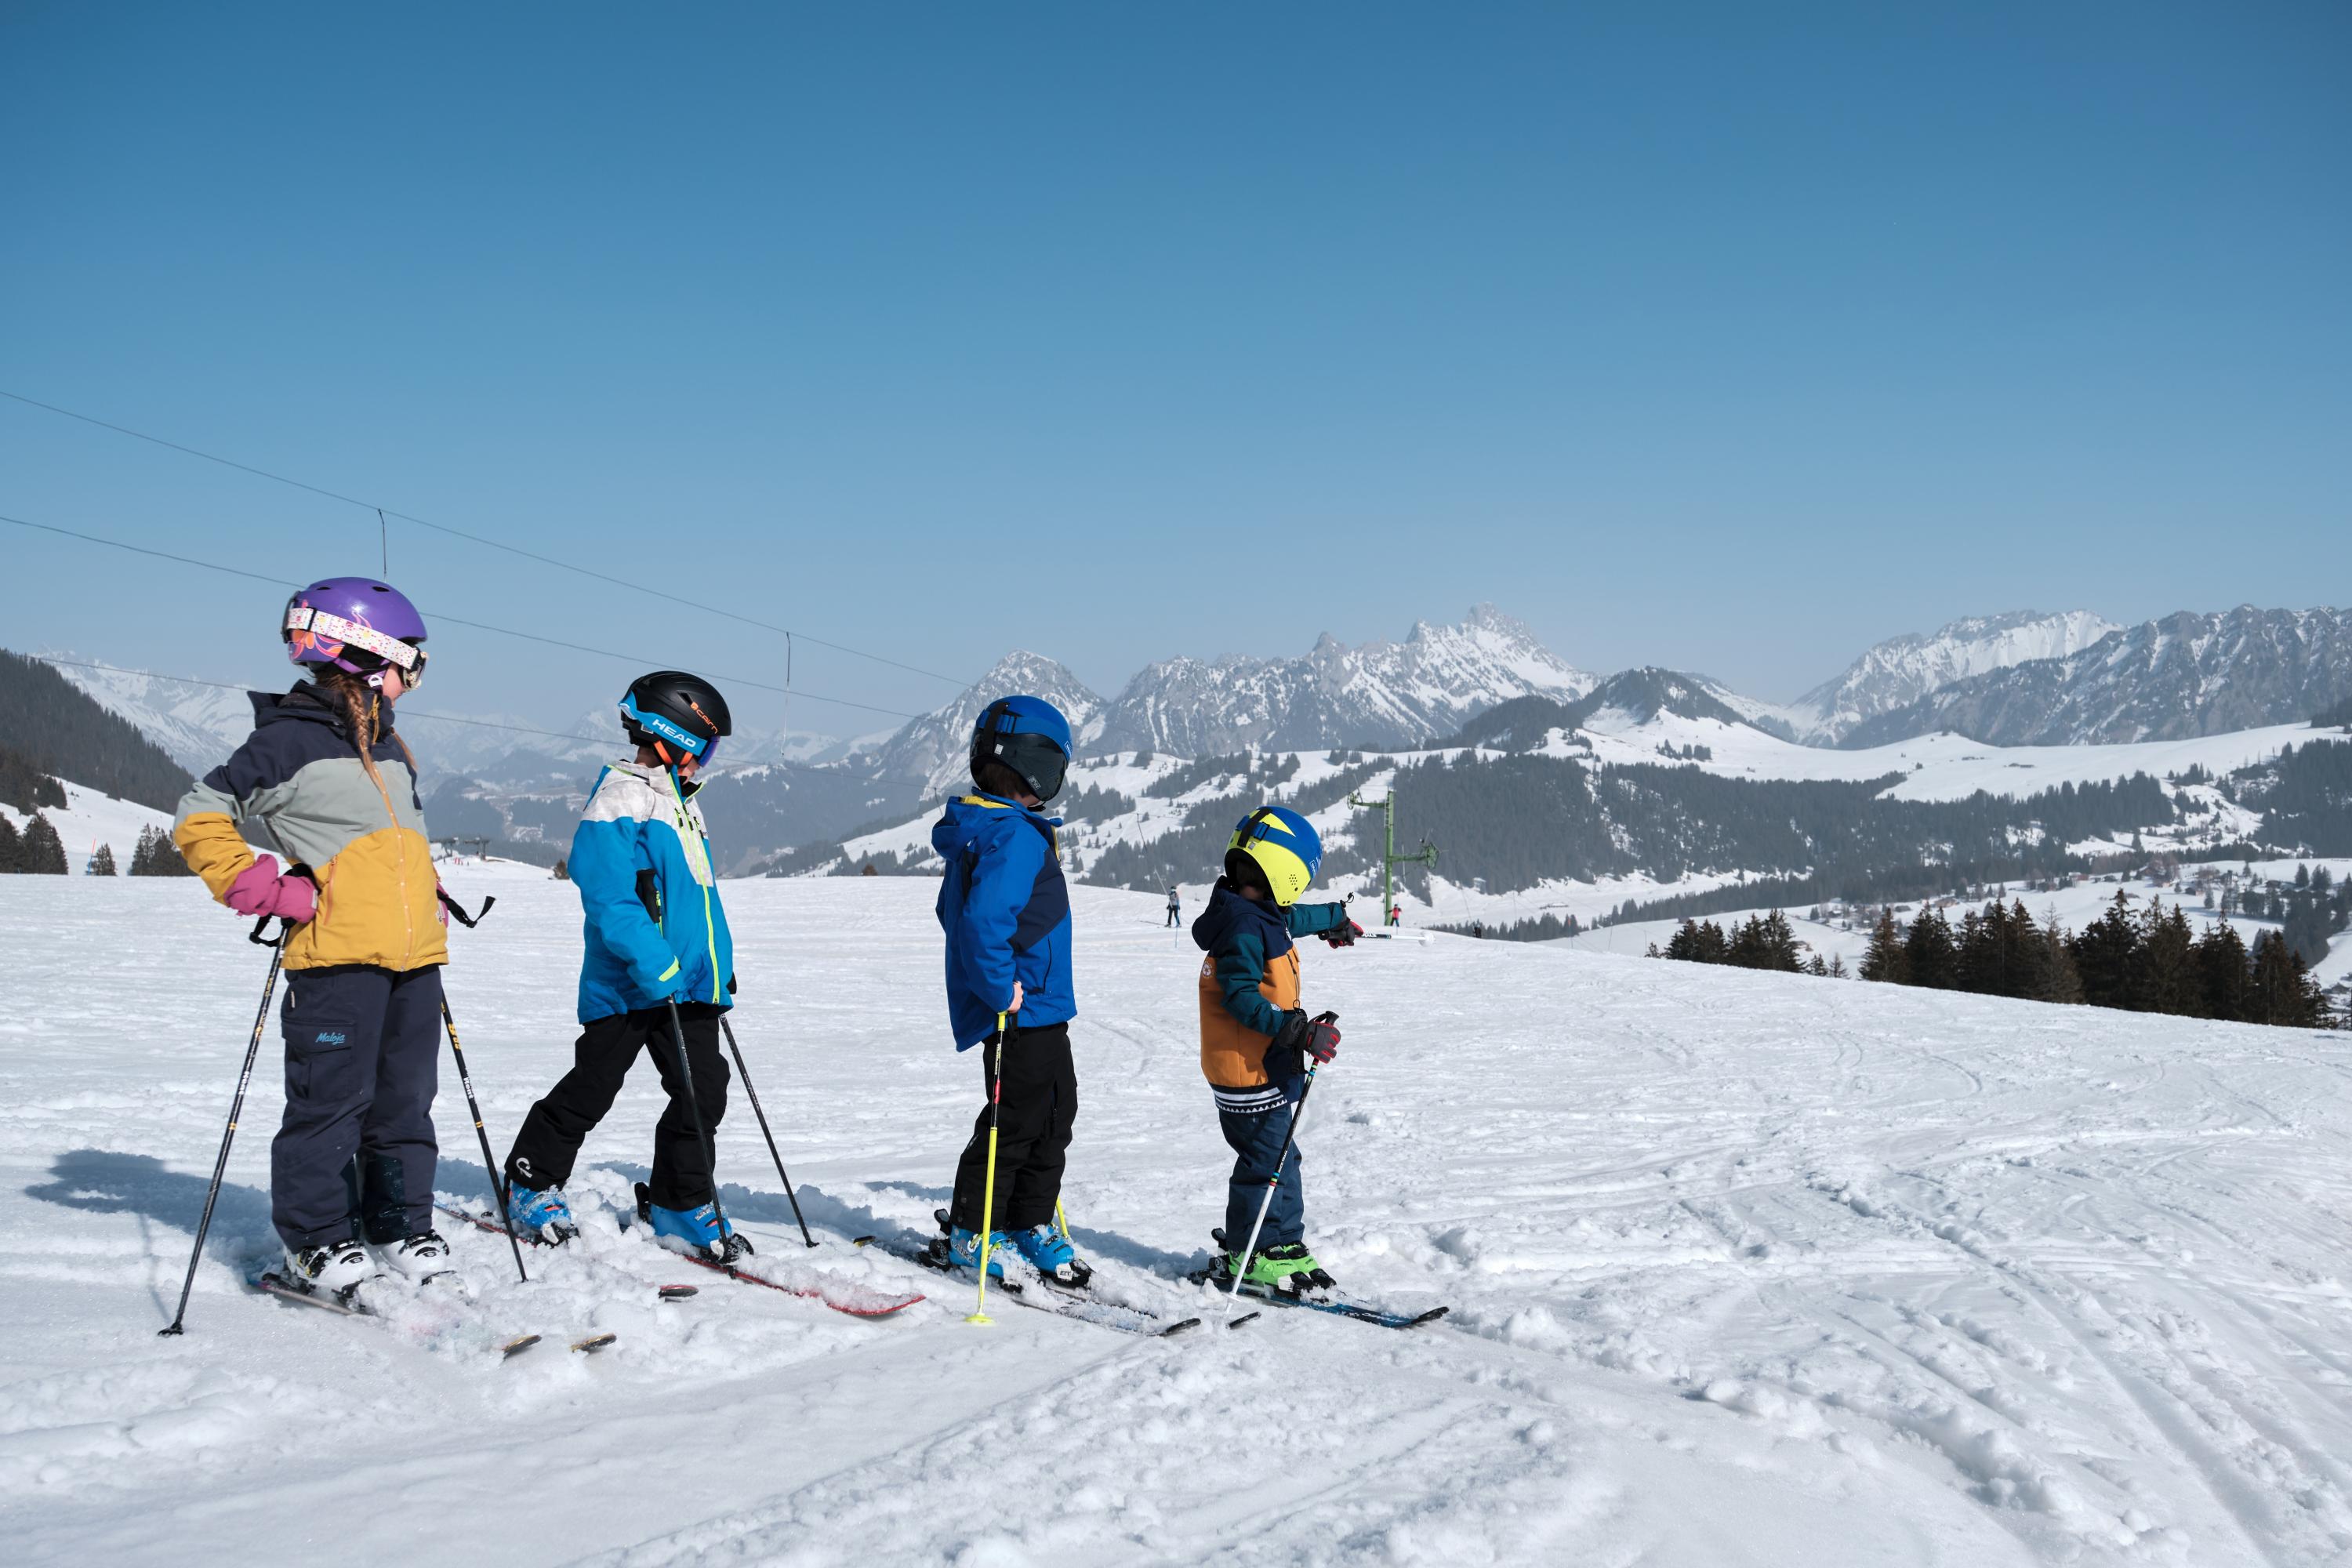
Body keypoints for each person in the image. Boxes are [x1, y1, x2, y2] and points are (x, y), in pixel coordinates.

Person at [172, 577, 448, 1296]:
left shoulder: (387, 745)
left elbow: (381, 840)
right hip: (335, 961)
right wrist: (262, 887)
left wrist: (424, 891)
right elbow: (199, 814)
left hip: (414, 957)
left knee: (405, 1099)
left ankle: (397, 1221)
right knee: (330, 1103)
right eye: (407, 661)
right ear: (363, 655)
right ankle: (316, 1238)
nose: (412, 677)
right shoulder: (289, 740)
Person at [502, 672, 744, 1259]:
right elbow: (609, 897)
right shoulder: (621, 798)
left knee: (703, 1091)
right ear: (668, 735)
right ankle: (531, 1180)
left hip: (686, 986)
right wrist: (655, 963)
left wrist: (716, 965)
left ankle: (679, 1201)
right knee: (594, 1086)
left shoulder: (683, 805)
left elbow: (697, 902)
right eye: (703, 746)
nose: (704, 761)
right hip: (628, 984)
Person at [930, 695, 1085, 1285]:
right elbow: (978, 922)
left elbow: (959, 914)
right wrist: (1000, 991)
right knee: (1013, 1123)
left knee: (1054, 1113)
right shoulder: (1013, 836)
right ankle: (974, 1231)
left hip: (1043, 1007)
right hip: (1022, 1010)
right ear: (1039, 766)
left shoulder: (994, 830)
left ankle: (1028, 1219)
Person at [1193, 805, 1361, 1297]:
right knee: (1267, 1161)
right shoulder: (1245, 929)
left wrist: (1334, 920)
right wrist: (1299, 1032)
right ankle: (1257, 1251)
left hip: (1256, 1064)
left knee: (1279, 1156)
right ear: (1286, 874)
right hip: (1246, 1070)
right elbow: (1241, 997)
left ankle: (1279, 1243)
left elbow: (1288, 920)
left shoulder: (1253, 913)